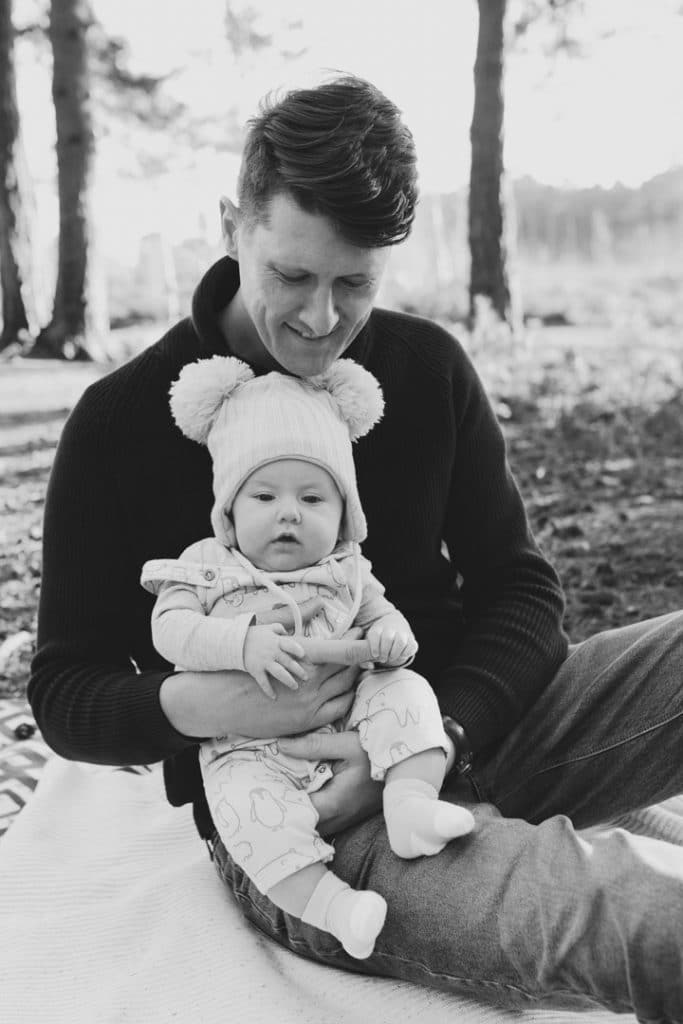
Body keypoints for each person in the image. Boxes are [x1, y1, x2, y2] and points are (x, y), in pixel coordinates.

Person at [29, 75, 682, 1017]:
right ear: (232, 226)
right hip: (305, 820)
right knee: (636, 918)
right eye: (292, 276)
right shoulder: (119, 420)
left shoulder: (424, 367)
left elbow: (520, 591)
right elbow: (64, 688)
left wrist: (438, 736)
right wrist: (198, 703)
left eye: (355, 284)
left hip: (468, 729)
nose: (321, 318)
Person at [140, 356, 474, 959]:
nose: (289, 512)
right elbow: (169, 629)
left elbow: (382, 615)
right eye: (265, 495)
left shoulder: (347, 569)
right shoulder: (207, 566)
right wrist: (242, 642)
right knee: (247, 818)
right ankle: (337, 909)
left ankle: (411, 807)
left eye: (314, 497)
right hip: (250, 749)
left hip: (352, 721)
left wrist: (393, 637)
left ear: (345, 516)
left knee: (408, 691)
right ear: (229, 511)